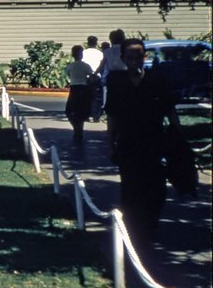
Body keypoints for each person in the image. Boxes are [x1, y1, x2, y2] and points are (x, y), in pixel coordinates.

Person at [105, 38, 179, 244]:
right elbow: (112, 115)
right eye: (130, 56)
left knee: (156, 185)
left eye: (138, 56)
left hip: (154, 141)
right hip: (127, 142)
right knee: (130, 186)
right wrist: (110, 144)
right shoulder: (116, 81)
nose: (134, 60)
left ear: (144, 57)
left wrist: (176, 135)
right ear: (123, 59)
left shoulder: (156, 79)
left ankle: (150, 222)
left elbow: (170, 109)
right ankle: (132, 227)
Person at [64, 45, 94, 143]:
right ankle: (79, 129)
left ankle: (76, 128)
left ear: (73, 54)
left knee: (69, 111)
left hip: (74, 88)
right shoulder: (86, 66)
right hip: (84, 88)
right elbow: (91, 75)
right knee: (81, 111)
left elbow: (68, 74)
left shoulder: (70, 66)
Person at [82, 35, 104, 121]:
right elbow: (102, 65)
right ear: (96, 43)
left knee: (86, 97)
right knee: (96, 98)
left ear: (88, 43)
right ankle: (96, 116)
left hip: (87, 77)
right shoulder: (100, 53)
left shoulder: (84, 53)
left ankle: (86, 116)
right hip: (97, 77)